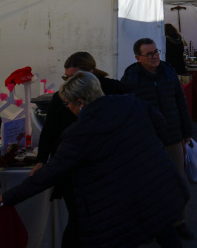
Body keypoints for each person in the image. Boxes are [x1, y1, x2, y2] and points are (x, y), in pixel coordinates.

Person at [0, 72, 188, 248]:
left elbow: (51, 173)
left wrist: (9, 197)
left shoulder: (79, 134)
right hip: (157, 185)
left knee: (126, 235)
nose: (68, 108)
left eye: (67, 104)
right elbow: (161, 129)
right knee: (162, 225)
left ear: (80, 102)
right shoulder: (133, 104)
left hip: (118, 203)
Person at [32, 52, 130, 248]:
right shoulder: (63, 96)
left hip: (107, 166)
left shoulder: (115, 90)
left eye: (74, 77)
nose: (69, 82)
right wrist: (41, 159)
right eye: (66, 77)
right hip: (73, 168)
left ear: (91, 74)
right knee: (78, 219)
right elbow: (50, 130)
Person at [121, 38, 195, 240]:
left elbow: (180, 102)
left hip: (172, 137)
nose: (154, 57)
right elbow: (125, 110)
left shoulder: (168, 71)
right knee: (148, 185)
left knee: (177, 182)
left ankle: (179, 222)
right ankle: (150, 223)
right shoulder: (130, 78)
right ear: (138, 58)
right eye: (149, 54)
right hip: (146, 142)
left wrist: (187, 131)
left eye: (156, 52)